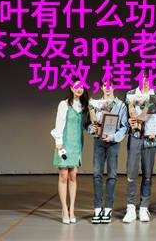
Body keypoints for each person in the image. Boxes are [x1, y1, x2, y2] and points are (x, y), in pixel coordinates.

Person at [122, 71, 156, 223]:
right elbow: (125, 117)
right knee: (131, 172)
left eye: (147, 78)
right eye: (142, 78)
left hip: (150, 139)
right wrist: (129, 123)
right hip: (134, 137)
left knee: (147, 173)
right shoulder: (130, 94)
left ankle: (144, 207)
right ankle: (130, 207)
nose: (145, 80)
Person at [88, 78, 129, 224]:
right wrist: (93, 129)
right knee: (97, 175)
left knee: (111, 175)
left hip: (113, 143)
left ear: (114, 86)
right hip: (99, 142)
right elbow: (89, 124)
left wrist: (112, 137)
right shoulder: (95, 104)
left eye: (110, 85)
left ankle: (108, 208)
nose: (107, 87)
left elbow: (124, 126)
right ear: (101, 87)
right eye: (104, 85)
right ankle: (97, 208)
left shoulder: (121, 105)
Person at [50, 78, 89, 224]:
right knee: (63, 176)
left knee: (73, 175)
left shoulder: (84, 106)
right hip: (65, 143)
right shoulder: (64, 104)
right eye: (76, 86)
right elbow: (59, 124)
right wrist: (59, 143)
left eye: (82, 87)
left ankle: (72, 209)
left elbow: (85, 125)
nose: (79, 89)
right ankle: (64, 210)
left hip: (76, 144)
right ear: (71, 88)